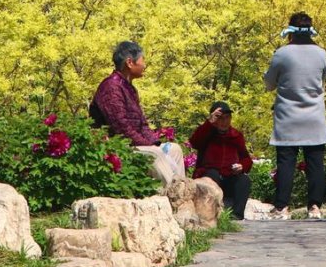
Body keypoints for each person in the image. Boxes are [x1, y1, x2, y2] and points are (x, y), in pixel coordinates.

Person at [264, 12, 326, 220]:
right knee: (315, 164)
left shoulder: (282, 54)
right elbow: (323, 76)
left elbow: (269, 83)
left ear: (290, 31)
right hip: (314, 116)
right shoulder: (321, 54)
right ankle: (314, 207)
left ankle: (282, 207)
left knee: (286, 163)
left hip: (288, 117)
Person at [90, 41, 185, 186]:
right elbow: (122, 128)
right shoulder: (111, 87)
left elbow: (142, 124)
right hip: (117, 146)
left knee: (174, 149)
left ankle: (182, 194)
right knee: (156, 155)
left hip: (135, 144)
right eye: (142, 60)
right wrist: (150, 146)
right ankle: (171, 198)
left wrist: (155, 143)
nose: (144, 65)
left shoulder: (130, 89)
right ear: (129, 62)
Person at [190, 101, 252, 220]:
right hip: (210, 176)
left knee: (244, 180)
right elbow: (195, 142)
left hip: (229, 176)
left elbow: (246, 159)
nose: (224, 122)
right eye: (220, 118)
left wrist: (242, 166)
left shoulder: (236, 136)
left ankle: (236, 216)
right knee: (212, 174)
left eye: (227, 118)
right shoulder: (207, 132)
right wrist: (209, 123)